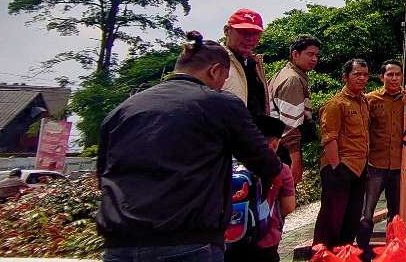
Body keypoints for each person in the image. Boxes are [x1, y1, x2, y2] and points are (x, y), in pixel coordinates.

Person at [97, 31, 282, 262]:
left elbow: (103, 175)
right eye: (224, 79)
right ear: (215, 71)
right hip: (187, 240)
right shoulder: (220, 104)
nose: (222, 86)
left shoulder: (122, 111)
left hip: (119, 242)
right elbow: (264, 162)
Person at [314, 59, 372, 254]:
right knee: (331, 219)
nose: (362, 78)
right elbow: (329, 138)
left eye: (365, 74)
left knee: (351, 219)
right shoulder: (335, 104)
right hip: (340, 168)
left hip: (359, 168)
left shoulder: (364, 101)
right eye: (357, 74)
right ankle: (323, 255)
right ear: (345, 76)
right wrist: (336, 167)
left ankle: (343, 255)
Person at [227, 116, 296, 262]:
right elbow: (288, 207)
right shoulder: (281, 169)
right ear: (274, 144)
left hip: (232, 238)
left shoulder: (228, 166)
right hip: (266, 238)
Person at [363, 61, 406, 239]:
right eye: (390, 74)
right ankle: (363, 251)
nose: (394, 78)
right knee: (367, 212)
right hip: (375, 164)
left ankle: (392, 250)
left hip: (399, 166)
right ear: (382, 77)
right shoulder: (370, 99)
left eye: (398, 75)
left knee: (396, 214)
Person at [269, 35, 320, 185]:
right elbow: (289, 126)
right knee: (284, 192)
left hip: (275, 146)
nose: (314, 59)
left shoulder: (286, 73)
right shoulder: (292, 79)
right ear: (295, 54)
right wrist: (296, 160)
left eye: (316, 55)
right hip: (281, 149)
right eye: (309, 54)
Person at [223, 8, 270, 114]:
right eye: (244, 31)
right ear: (227, 31)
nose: (250, 38)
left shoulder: (254, 63)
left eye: (255, 33)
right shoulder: (216, 61)